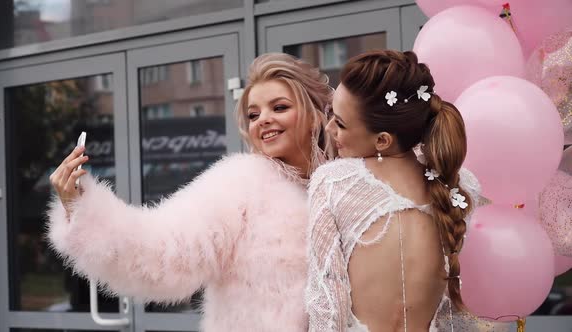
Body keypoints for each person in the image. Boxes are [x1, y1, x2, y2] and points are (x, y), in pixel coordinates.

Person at [47, 53, 334, 331]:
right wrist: (80, 207)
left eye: (280, 107)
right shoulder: (242, 181)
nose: (263, 120)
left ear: (313, 115)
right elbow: (164, 253)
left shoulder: (344, 184)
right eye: (253, 114)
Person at [305, 50, 483, 332]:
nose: (329, 128)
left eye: (340, 122)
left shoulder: (333, 183)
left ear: (382, 140)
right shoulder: (458, 184)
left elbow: (327, 305)